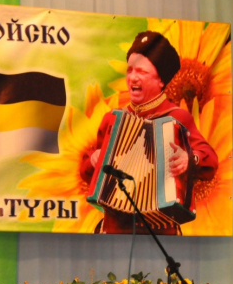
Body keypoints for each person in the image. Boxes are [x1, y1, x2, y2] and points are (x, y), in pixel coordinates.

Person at [80, 31, 218, 234]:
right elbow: (87, 170)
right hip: (115, 229)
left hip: (160, 231)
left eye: (141, 72)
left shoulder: (178, 117)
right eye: (129, 71)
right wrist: (94, 159)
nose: (132, 78)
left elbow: (210, 160)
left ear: (160, 80)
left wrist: (189, 158)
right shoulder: (112, 120)